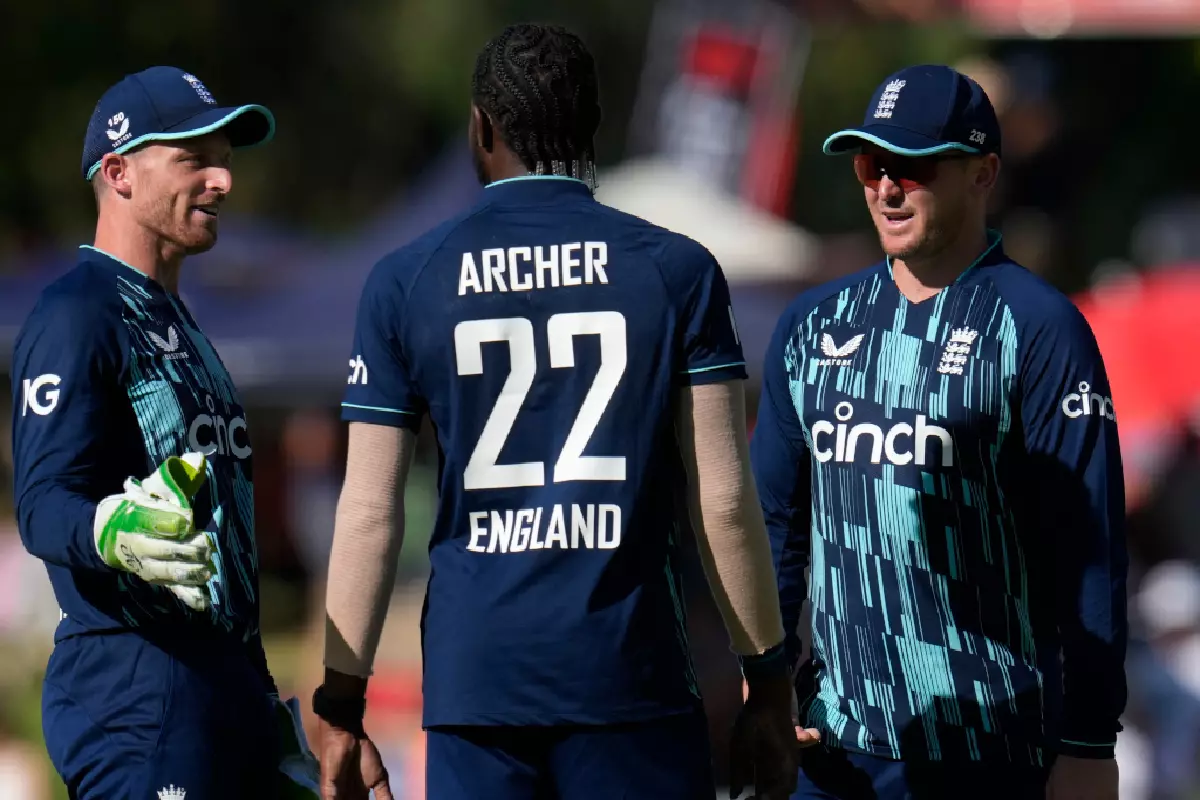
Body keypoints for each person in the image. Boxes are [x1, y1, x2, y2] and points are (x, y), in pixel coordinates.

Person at [312, 22, 804, 800]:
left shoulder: (407, 279)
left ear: (481, 127)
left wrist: (340, 702)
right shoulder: (677, 270)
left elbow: (371, 510)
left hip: (479, 686)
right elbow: (724, 501)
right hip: (629, 675)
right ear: (593, 126)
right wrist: (768, 681)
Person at [750, 65, 1128, 800]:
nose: (887, 188)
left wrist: (1089, 742)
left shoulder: (1040, 328)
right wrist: (762, 681)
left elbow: (1093, 556)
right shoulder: (812, 325)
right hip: (835, 750)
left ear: (983, 172)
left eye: (914, 167)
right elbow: (776, 525)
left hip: (991, 752)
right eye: (871, 164)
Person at [10, 66, 318, 799]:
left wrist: (266, 706)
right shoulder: (77, 310)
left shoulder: (180, 322)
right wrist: (113, 527)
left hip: (222, 691)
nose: (222, 181)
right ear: (117, 172)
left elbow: (230, 552)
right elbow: (42, 504)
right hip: (136, 690)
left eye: (226, 159)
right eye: (193, 159)